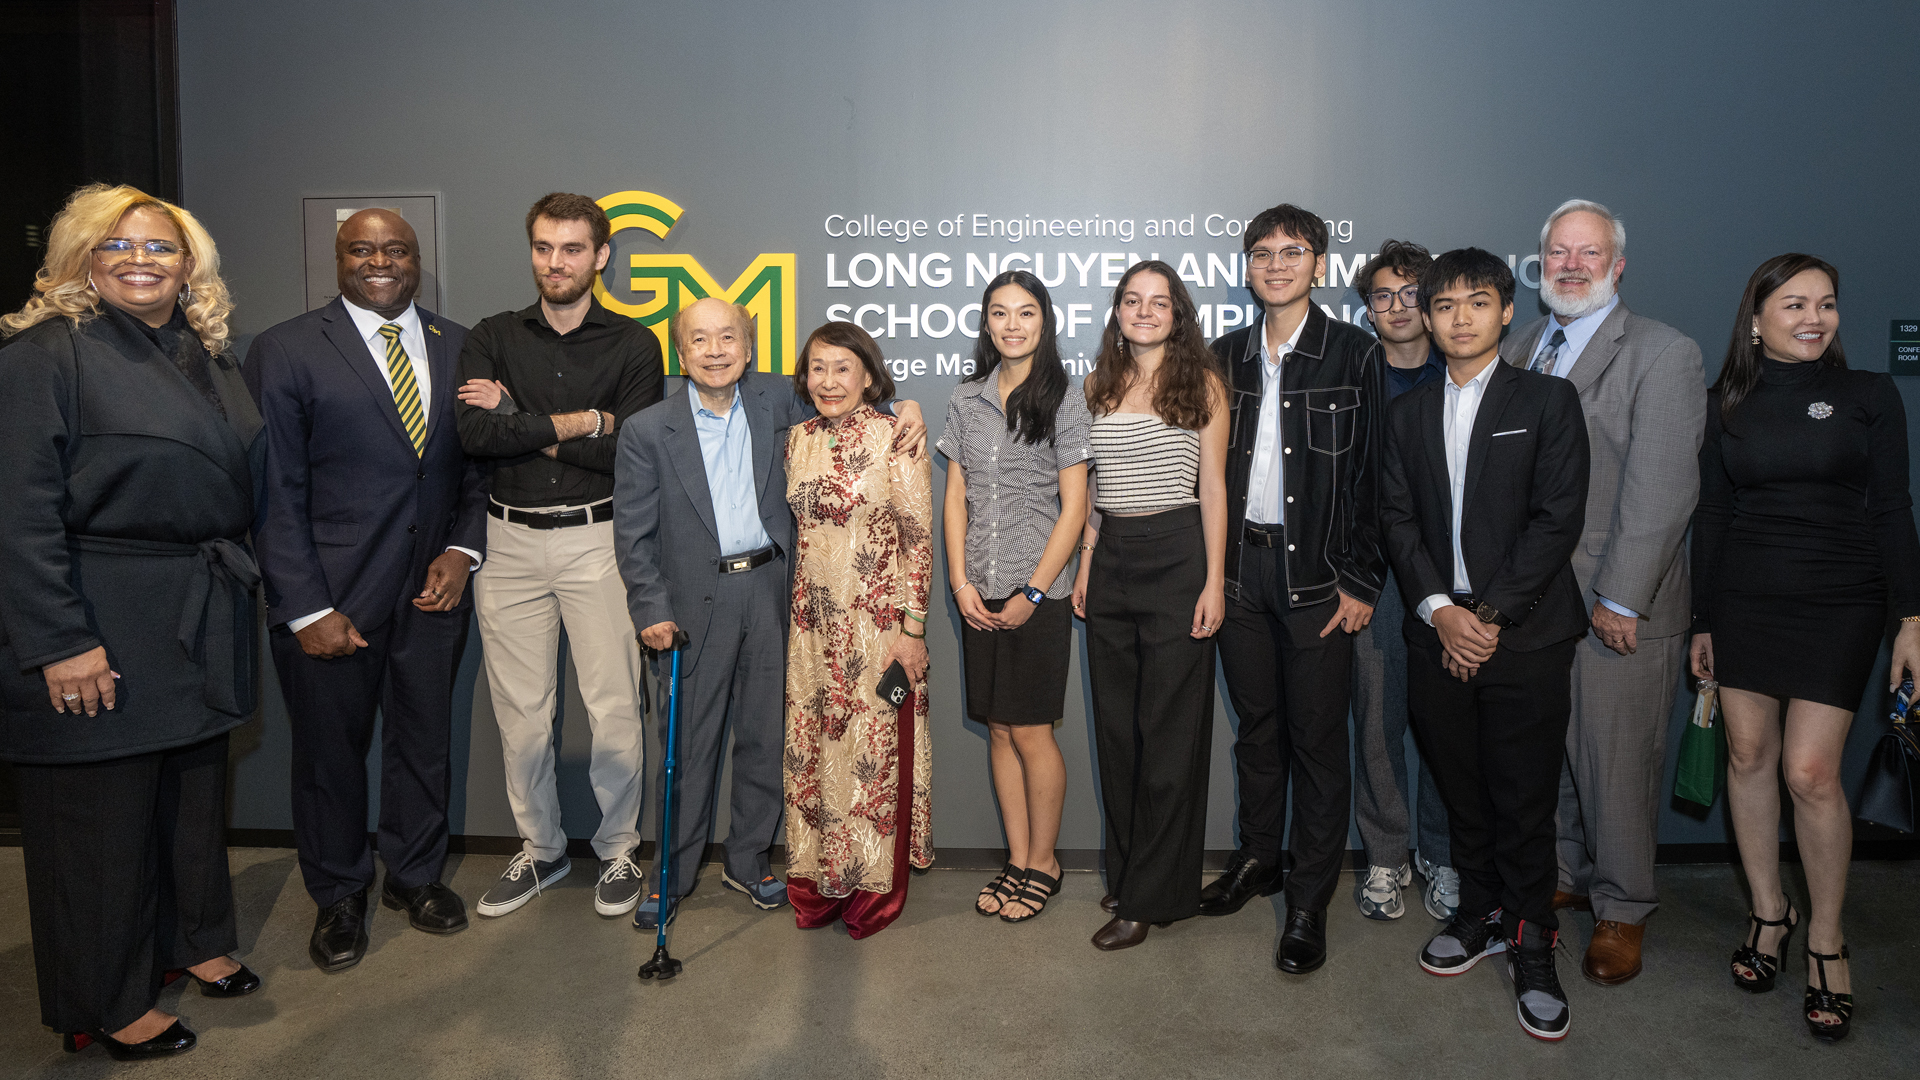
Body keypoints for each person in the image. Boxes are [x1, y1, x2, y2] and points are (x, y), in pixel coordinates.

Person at [0, 183, 262, 1059]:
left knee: (188, 796)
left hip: (192, 607)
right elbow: (17, 514)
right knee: (99, 824)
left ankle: (192, 940)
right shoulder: (47, 355)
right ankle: (107, 1000)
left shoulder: (205, 350)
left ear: (190, 266)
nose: (141, 262)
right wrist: (60, 642)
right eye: (118, 247)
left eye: (159, 248)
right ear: (81, 259)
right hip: (97, 612)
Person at [613, 301, 924, 930]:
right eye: (699, 339)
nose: (715, 349)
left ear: (748, 349)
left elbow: (855, 403)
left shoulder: (779, 404)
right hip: (692, 605)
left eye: (728, 337)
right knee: (688, 745)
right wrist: (650, 608)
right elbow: (633, 535)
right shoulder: (647, 430)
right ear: (682, 352)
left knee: (766, 740)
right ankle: (669, 874)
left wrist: (907, 407)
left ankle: (749, 860)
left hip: (773, 592)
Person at [248, 208, 488, 972]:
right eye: (363, 249)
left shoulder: (458, 346)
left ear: (418, 260)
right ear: (339, 259)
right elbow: (271, 492)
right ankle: (339, 894)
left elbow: (474, 471)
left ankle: (414, 878)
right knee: (329, 755)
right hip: (332, 600)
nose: (380, 261)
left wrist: (462, 549)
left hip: (431, 593)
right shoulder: (285, 349)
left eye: (396, 250)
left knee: (424, 743)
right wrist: (304, 608)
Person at [1690, 253, 1920, 1044]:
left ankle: (1826, 936)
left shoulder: (1868, 396)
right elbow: (1712, 519)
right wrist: (1703, 621)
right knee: (1749, 754)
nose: (1814, 318)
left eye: (1825, 304)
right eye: (1794, 305)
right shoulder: (1724, 402)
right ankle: (1769, 912)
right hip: (1746, 597)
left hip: (1842, 599)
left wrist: (1913, 621)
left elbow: (1894, 508)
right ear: (1756, 320)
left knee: (1810, 772)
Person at [1379, 248, 1590, 1041]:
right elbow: (1395, 520)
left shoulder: (1548, 399)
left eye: (1476, 302)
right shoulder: (1404, 415)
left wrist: (1489, 617)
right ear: (1426, 319)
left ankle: (1535, 941)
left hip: (1525, 637)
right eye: (1443, 305)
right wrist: (1440, 612)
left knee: (1524, 799)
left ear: (1508, 311)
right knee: (1460, 790)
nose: (1458, 317)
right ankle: (1479, 913)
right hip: (1437, 631)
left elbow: (1555, 520)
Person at [1500, 199, 1706, 986]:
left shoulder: (1660, 353)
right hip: (1531, 600)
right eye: (1558, 252)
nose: (1572, 265)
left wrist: (1622, 597)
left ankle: (1622, 910)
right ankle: (1563, 876)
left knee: (1615, 763)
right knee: (1547, 752)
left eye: (1589, 253)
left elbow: (1661, 486)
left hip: (1612, 599)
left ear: (1618, 267)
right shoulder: (1521, 346)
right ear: (1539, 263)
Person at [454, 193, 662, 919]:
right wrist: (584, 422)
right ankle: (540, 851)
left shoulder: (635, 345)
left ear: (601, 256)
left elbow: (631, 455)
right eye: (544, 247)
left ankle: (618, 852)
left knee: (614, 707)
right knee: (521, 712)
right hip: (507, 542)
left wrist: (520, 418)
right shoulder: (492, 335)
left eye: (572, 249)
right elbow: (476, 438)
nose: (555, 262)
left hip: (597, 540)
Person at [1202, 204, 1384, 974]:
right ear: (1247, 267)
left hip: (1317, 581)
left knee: (1315, 742)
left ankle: (1308, 899)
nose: (1276, 264)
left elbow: (1380, 478)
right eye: (1263, 253)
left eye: (1293, 251)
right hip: (1241, 573)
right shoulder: (1223, 356)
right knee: (1257, 730)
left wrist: (1362, 578)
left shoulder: (1356, 354)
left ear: (1320, 264)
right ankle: (1258, 860)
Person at [1072, 260, 1229, 951]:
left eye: (1158, 302)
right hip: (1111, 563)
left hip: (1178, 556)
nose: (1144, 312)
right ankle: (1136, 869)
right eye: (1132, 301)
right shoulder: (1095, 385)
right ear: (1117, 312)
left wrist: (1214, 581)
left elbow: (1216, 489)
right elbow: (1093, 490)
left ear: (1177, 314)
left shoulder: (1204, 384)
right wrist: (1085, 564)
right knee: (1118, 733)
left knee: (1169, 736)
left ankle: (1152, 897)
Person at [938, 270, 1092, 923]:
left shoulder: (1067, 396)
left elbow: (1076, 503)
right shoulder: (966, 399)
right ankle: (1019, 855)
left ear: (1043, 321)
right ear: (987, 322)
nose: (1011, 324)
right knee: (999, 728)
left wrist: (1034, 588)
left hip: (1040, 589)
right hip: (978, 586)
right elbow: (954, 495)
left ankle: (1044, 862)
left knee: (1031, 731)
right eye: (999, 313)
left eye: (1025, 313)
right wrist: (960, 582)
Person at [782, 321, 934, 938]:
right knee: (816, 751)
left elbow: (918, 537)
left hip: (878, 627)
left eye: (843, 368)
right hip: (812, 628)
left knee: (872, 757)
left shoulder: (895, 435)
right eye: (818, 368)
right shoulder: (797, 438)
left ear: (868, 375)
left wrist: (913, 629)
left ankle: (873, 889)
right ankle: (820, 881)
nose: (829, 381)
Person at [1348, 239, 1457, 922]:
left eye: (1412, 293)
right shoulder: (1352, 377)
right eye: (1383, 295)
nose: (1398, 306)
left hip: (1450, 578)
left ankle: (1443, 856)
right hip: (1371, 577)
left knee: (1445, 724)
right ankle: (1387, 856)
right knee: (1377, 720)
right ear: (1367, 309)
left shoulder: (1463, 376)